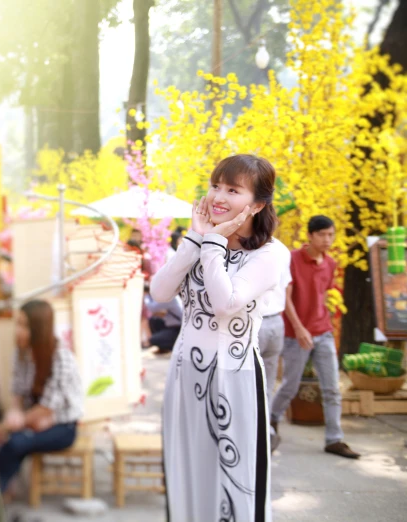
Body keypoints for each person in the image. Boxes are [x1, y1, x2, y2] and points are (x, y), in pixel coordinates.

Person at [150, 154, 289, 521]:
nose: (218, 197)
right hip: (185, 375)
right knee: (186, 472)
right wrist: (196, 239)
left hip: (233, 377)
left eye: (232, 189)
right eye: (215, 186)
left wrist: (212, 243)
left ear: (258, 204)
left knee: (233, 478)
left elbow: (226, 302)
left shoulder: (270, 254)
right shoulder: (201, 243)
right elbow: (160, 291)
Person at [270, 216, 360, 459]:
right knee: (290, 385)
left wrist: (326, 316)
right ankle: (271, 419)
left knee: (332, 389)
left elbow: (324, 295)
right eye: (322, 235)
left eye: (331, 235)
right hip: (295, 335)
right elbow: (285, 298)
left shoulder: (330, 263)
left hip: (323, 333)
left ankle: (334, 439)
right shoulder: (292, 259)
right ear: (310, 235)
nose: (327, 240)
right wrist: (299, 329)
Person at [0, 300, 83, 493]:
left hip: (63, 426)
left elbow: (47, 409)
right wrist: (14, 413)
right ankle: (0, 492)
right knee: (4, 438)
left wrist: (8, 425)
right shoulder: (21, 352)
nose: (18, 330)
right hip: (35, 418)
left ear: (39, 328)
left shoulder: (61, 357)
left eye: (24, 326)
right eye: (17, 323)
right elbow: (16, 392)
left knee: (15, 442)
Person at [258, 253, 292, 452]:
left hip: (258, 321)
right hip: (275, 321)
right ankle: (266, 431)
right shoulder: (280, 249)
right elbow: (287, 288)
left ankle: (260, 432)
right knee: (267, 384)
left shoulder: (246, 245)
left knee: (250, 381)